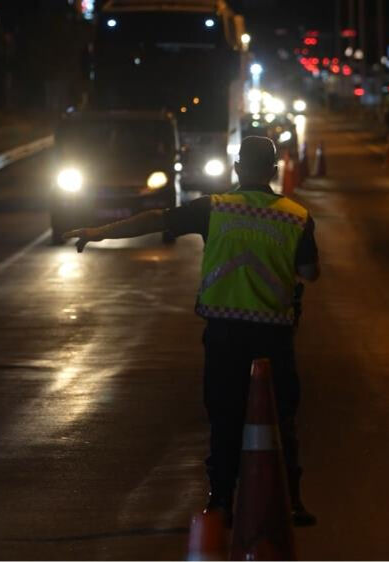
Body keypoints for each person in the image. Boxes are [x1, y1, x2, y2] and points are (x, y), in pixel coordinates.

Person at [63, 136, 320, 527]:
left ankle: (220, 501)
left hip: (225, 334)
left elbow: (158, 219)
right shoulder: (296, 216)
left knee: (224, 415)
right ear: (272, 170)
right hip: (273, 337)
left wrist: (101, 232)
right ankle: (293, 502)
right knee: (281, 417)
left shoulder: (214, 209)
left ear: (237, 167)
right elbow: (309, 273)